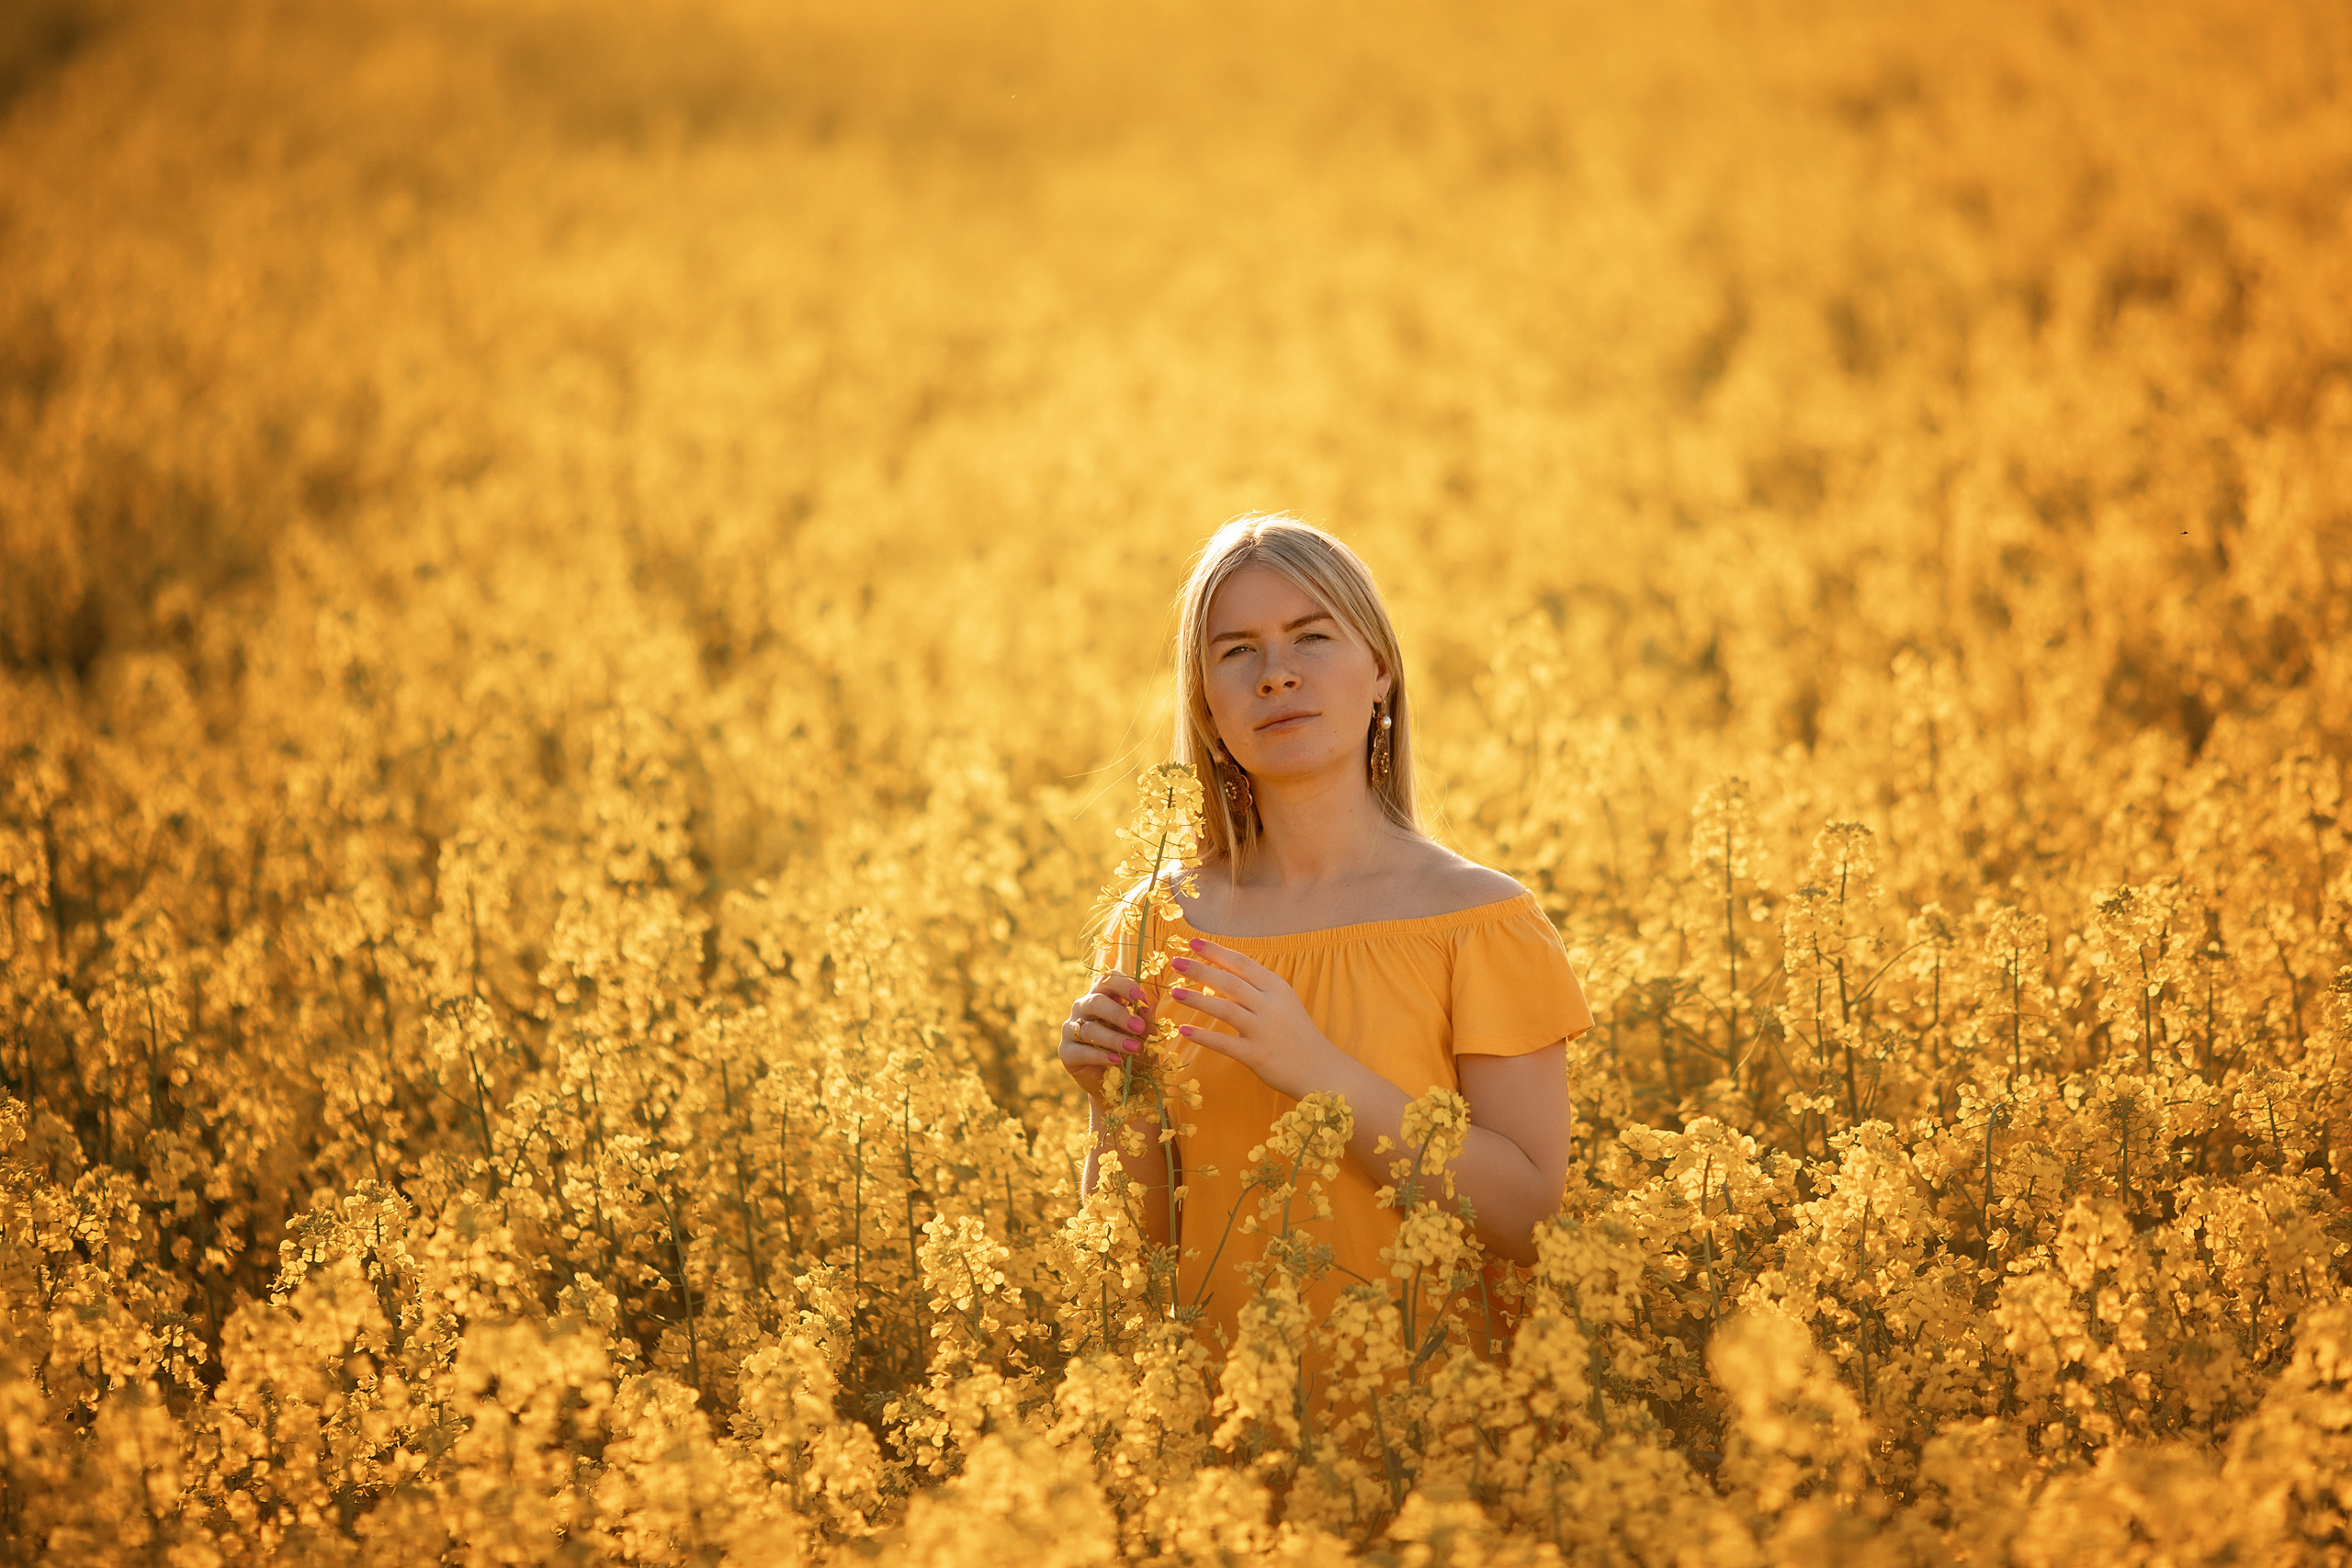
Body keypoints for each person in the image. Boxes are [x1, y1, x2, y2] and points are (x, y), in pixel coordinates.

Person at [1058, 514, 1593, 1351]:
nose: (1276, 675)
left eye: (1311, 637)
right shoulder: (1155, 925)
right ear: (1205, 704)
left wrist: (1318, 1071)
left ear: (1379, 670)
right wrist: (1112, 1107)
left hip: (1439, 1437)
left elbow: (1528, 1219)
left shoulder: (1482, 922)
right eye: (1237, 651)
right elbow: (1140, 1258)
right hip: (1221, 1433)